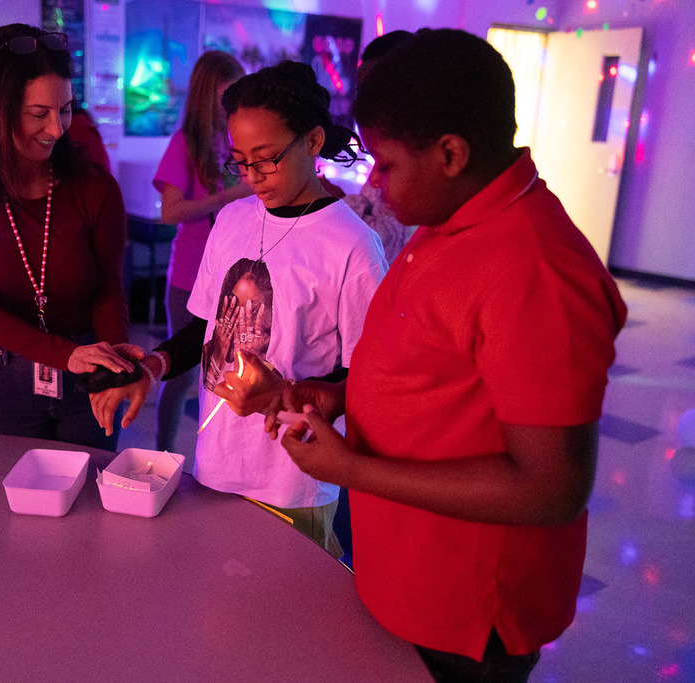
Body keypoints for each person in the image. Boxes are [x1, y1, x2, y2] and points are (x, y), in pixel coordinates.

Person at [216, 29, 628, 682]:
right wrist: (338, 395)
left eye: (386, 162)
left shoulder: (535, 268)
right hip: (404, 573)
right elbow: (432, 371)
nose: (373, 182)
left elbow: (551, 486)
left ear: (451, 154)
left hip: (465, 614)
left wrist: (350, 466)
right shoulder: (451, 223)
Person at [91, 60, 389, 555]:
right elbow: (205, 327)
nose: (252, 177)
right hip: (215, 466)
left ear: (314, 142)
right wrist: (153, 366)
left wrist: (286, 393)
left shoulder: (352, 246)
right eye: (239, 161)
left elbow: (367, 379)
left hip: (293, 482)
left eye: (267, 159)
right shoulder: (231, 220)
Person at [0, 24, 140, 450]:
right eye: (39, 113)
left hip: (89, 362)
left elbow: (107, 289)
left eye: (65, 109)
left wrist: (116, 361)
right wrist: (63, 355)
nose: (58, 128)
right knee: (13, 499)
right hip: (3, 369)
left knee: (90, 494)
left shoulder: (94, 186)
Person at [152, 50, 251, 453]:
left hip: (238, 278)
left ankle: (218, 461)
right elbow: (170, 212)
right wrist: (231, 196)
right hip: (190, 276)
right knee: (179, 375)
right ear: (205, 95)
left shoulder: (236, 141)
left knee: (231, 374)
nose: (230, 105)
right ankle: (158, 456)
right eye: (224, 95)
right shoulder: (185, 142)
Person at [344, 30, 416, 264]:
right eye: (360, 92)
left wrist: (330, 204)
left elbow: (382, 247)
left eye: (372, 93)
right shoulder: (388, 147)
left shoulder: (418, 156)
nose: (362, 103)